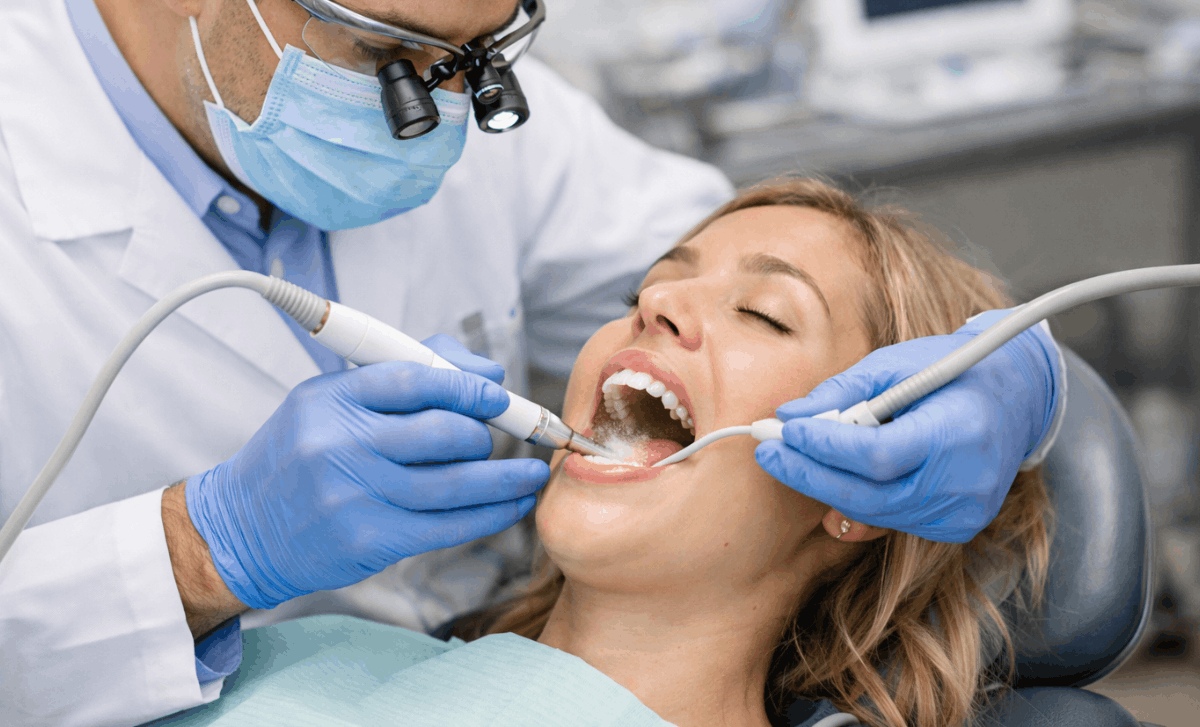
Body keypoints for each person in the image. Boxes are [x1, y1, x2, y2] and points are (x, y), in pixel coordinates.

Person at [0, 0, 1063, 725]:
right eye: (392, 57)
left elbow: (835, 276)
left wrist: (1019, 373)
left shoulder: (439, 43)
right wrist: (200, 551)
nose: (656, 303)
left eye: (477, 54)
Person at [147, 179, 1053, 727]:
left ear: (868, 479)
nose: (655, 308)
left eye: (766, 315)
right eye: (647, 288)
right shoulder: (309, 655)